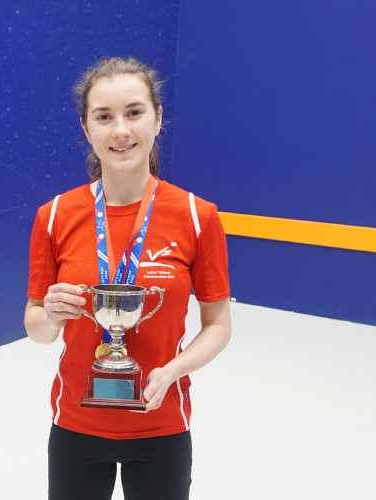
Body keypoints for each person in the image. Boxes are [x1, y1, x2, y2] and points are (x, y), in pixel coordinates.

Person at [24, 57, 232, 500]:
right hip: (76, 423)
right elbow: (36, 328)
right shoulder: (54, 216)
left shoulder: (198, 216)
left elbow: (218, 324)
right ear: (86, 128)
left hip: (161, 424)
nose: (120, 130)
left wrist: (173, 371)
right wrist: (52, 317)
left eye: (134, 112)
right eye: (104, 117)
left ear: (157, 118)